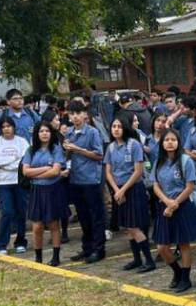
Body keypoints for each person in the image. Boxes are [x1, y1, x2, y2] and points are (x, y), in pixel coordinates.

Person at [151, 129, 196, 291]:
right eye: (167, 140)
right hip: (165, 206)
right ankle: (177, 272)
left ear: (178, 142)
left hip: (182, 206)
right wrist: (167, 202)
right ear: (162, 143)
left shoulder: (185, 160)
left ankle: (186, 278)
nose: (170, 142)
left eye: (173, 139)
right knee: (161, 246)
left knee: (183, 244)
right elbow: (155, 185)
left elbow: (190, 186)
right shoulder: (159, 162)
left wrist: (174, 204)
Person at [104, 115, 154, 273]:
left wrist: (123, 189)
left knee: (134, 226)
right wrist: (116, 190)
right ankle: (137, 259)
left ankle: (149, 260)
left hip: (133, 189)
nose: (116, 129)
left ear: (125, 128)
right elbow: (108, 172)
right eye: (114, 127)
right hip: (118, 190)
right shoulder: (111, 147)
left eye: (119, 126)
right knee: (127, 227)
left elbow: (138, 171)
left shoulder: (134, 145)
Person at [64, 101, 107, 264]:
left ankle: (99, 248)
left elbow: (99, 155)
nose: (75, 117)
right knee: (82, 215)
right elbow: (67, 156)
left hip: (91, 179)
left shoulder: (92, 132)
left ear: (84, 115)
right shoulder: (69, 132)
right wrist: (66, 149)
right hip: (75, 178)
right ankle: (87, 247)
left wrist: (78, 149)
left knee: (96, 215)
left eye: (77, 113)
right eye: (71, 114)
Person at [22, 122, 67, 265]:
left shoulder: (56, 149)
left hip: (53, 189)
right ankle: (38, 257)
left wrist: (36, 174)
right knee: (37, 226)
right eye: (41, 131)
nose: (44, 133)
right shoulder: (31, 150)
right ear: (36, 134)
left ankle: (55, 256)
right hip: (37, 190)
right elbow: (25, 171)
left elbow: (55, 171)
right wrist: (45, 168)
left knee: (54, 224)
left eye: (47, 130)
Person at [0, 115, 29, 254]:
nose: (6, 129)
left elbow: (24, 160)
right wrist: (13, 159)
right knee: (7, 212)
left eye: (8, 126)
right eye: (3, 127)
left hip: (19, 182)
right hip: (3, 182)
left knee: (21, 212)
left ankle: (21, 242)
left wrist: (6, 163)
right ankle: (1, 244)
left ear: (13, 127)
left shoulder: (22, 142)